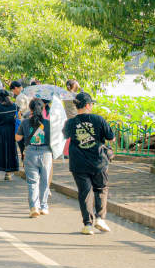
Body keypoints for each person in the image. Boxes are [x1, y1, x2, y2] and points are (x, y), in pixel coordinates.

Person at [63, 91, 116, 234]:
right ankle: (100, 218)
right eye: (91, 104)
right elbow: (111, 138)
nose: (92, 106)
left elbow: (65, 135)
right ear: (87, 105)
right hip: (98, 162)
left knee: (84, 193)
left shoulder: (70, 122)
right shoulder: (98, 119)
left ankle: (87, 225)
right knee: (101, 189)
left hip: (78, 163)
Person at [18, 98, 55, 217]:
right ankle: (43, 207)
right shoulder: (48, 123)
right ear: (43, 108)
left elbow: (17, 138)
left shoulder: (25, 122)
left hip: (30, 153)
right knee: (44, 181)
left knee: (32, 182)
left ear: (30, 109)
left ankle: (34, 207)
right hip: (46, 154)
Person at [0, 89, 21, 181]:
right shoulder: (14, 106)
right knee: (9, 150)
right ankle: (8, 174)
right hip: (10, 131)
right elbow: (19, 117)